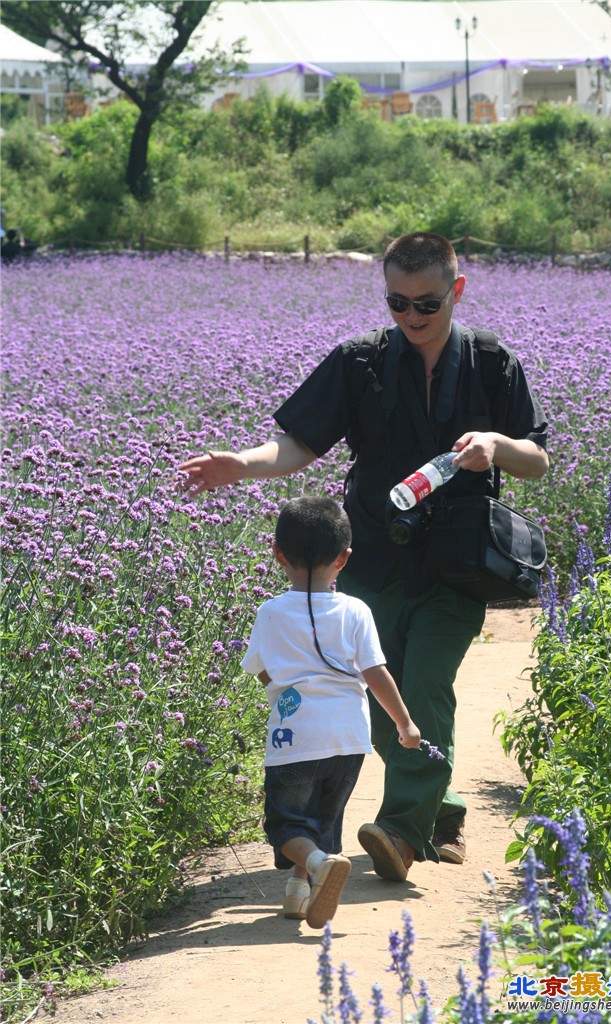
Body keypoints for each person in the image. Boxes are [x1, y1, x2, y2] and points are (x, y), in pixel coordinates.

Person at [180, 231, 549, 883]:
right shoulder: (358, 363)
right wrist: (241, 465)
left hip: (459, 562)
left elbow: (538, 459)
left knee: (426, 685)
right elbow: (298, 445)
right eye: (397, 303)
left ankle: (402, 832)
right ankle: (442, 806)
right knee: (380, 700)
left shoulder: (491, 362)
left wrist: (496, 442)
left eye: (426, 304)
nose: (411, 317)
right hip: (373, 556)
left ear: (455, 292)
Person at [240, 496, 420, 927]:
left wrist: (286, 697)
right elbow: (375, 674)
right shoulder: (356, 611)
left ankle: (319, 867)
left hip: (295, 738)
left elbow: (262, 672)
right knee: (321, 817)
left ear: (277, 553)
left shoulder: (270, 612)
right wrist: (404, 722)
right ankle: (297, 893)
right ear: (344, 558)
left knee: (286, 825)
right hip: (348, 739)